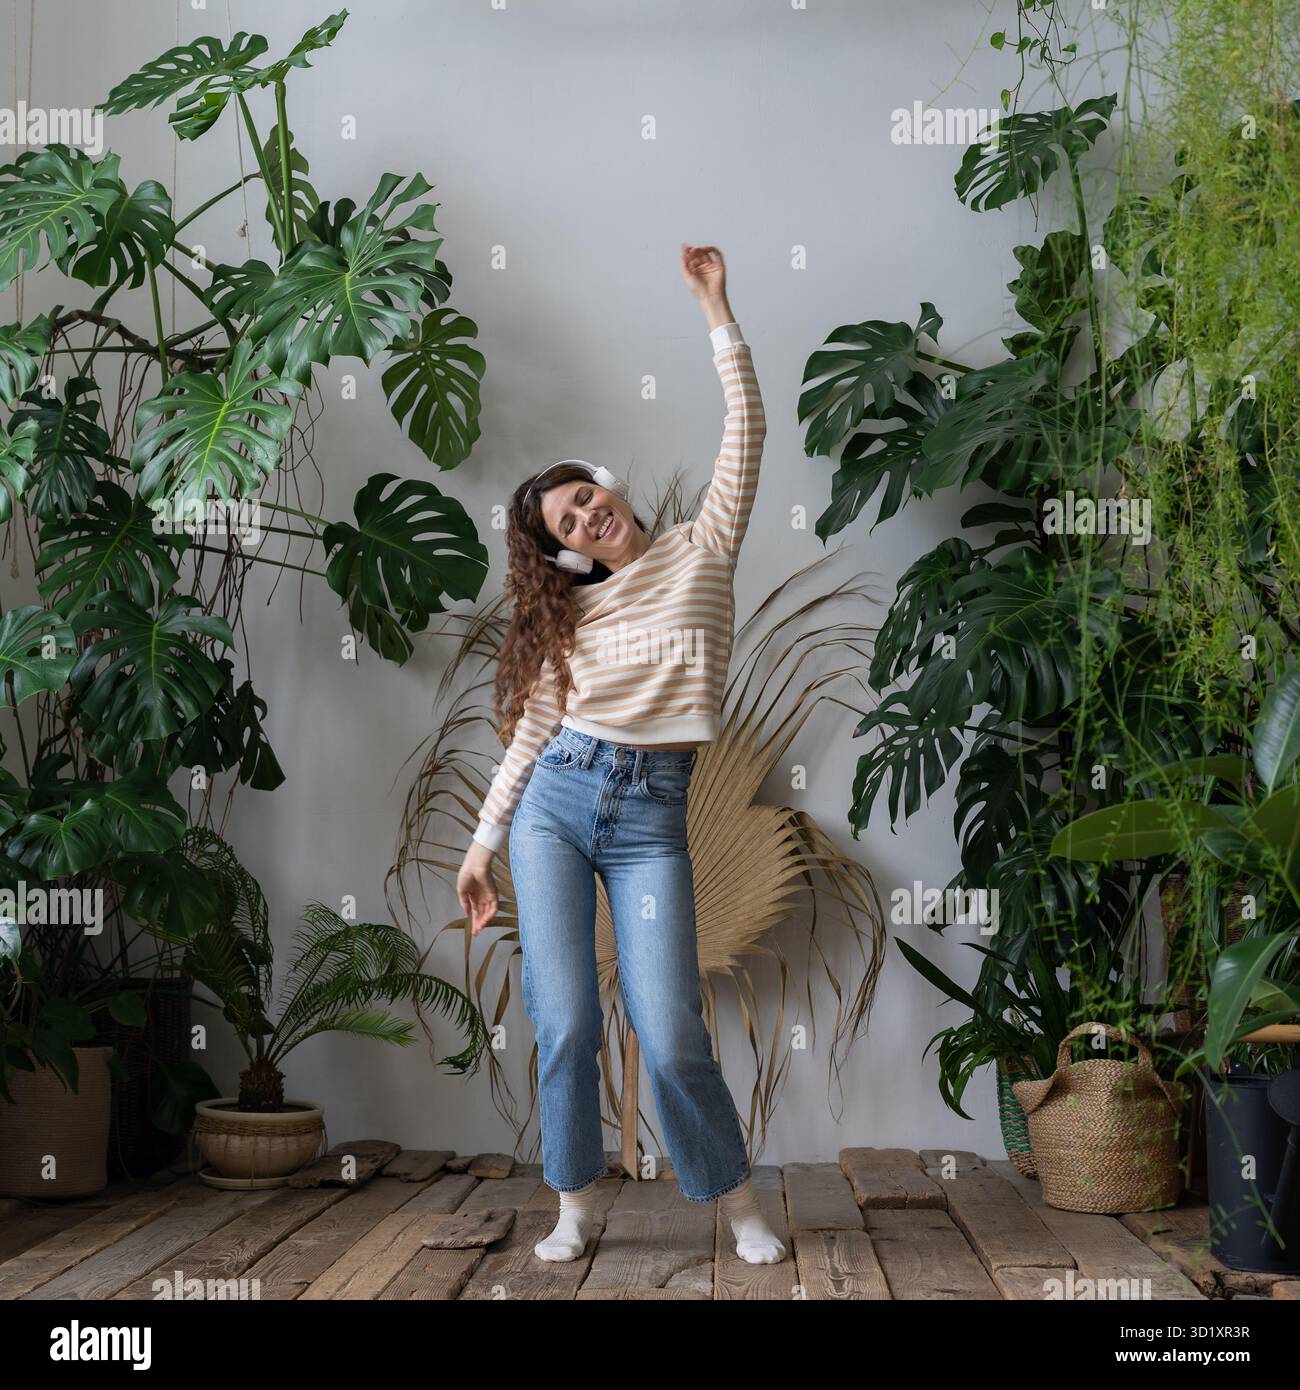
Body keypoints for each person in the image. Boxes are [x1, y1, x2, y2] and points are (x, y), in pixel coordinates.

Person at [456, 244, 785, 1266]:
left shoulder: (703, 544)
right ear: (566, 551)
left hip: (650, 816)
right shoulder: (572, 621)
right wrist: (482, 843)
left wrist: (714, 309)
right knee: (563, 1023)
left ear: (608, 490)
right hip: (559, 802)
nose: (590, 513)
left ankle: (732, 1204)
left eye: (586, 495)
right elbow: (533, 739)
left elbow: (747, 427)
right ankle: (575, 1202)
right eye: (568, 522)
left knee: (669, 1023)